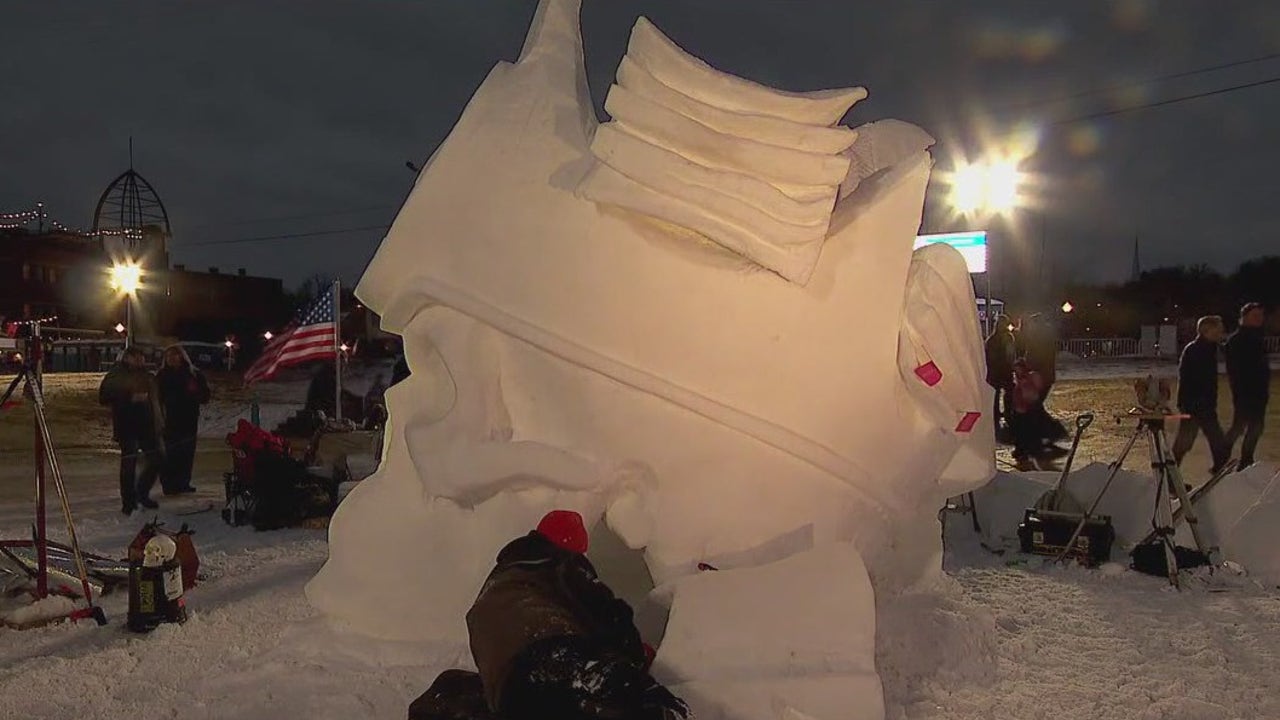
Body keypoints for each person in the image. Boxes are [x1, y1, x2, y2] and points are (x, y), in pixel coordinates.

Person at [465, 510, 687, 720]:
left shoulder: (499, 581)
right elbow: (609, 615)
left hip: (508, 694)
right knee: (649, 703)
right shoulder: (561, 562)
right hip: (553, 654)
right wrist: (634, 661)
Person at [99, 347, 163, 514]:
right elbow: (104, 396)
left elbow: (156, 398)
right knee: (129, 464)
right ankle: (128, 501)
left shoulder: (146, 375)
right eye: (137, 357)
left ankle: (142, 492)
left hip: (147, 426)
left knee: (157, 459)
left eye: (142, 357)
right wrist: (129, 397)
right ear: (128, 358)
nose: (141, 360)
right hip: (127, 426)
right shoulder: (116, 374)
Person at [1172, 315, 1230, 473]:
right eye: (1218, 330)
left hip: (1199, 404)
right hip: (1195, 405)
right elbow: (1195, 380)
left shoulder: (1207, 348)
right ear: (1206, 331)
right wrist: (1198, 404)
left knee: (1193, 441)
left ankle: (1219, 468)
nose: (1221, 333)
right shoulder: (1197, 350)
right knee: (1188, 442)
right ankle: (1169, 475)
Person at [155, 345, 210, 494]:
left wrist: (196, 393)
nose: (172, 359)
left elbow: (205, 396)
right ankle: (169, 484)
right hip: (169, 419)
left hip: (189, 419)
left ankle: (183, 482)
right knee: (170, 453)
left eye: (175, 355)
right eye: (169, 356)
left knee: (186, 452)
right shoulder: (162, 376)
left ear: (182, 357)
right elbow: (156, 398)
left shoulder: (193, 374)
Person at [1225, 303, 1269, 470]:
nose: (1259, 318)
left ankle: (1246, 459)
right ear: (1244, 317)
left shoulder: (1257, 337)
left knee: (1254, 427)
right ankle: (1224, 456)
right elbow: (1237, 370)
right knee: (1240, 426)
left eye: (1261, 315)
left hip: (1259, 393)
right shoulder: (1237, 340)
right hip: (1245, 393)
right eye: (1255, 315)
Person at [984, 315, 1016, 433]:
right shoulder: (1008, 338)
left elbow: (987, 356)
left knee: (995, 396)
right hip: (1005, 371)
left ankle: (995, 417)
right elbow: (1010, 355)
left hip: (994, 372)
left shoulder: (991, 339)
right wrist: (1012, 367)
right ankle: (1009, 415)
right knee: (1009, 394)